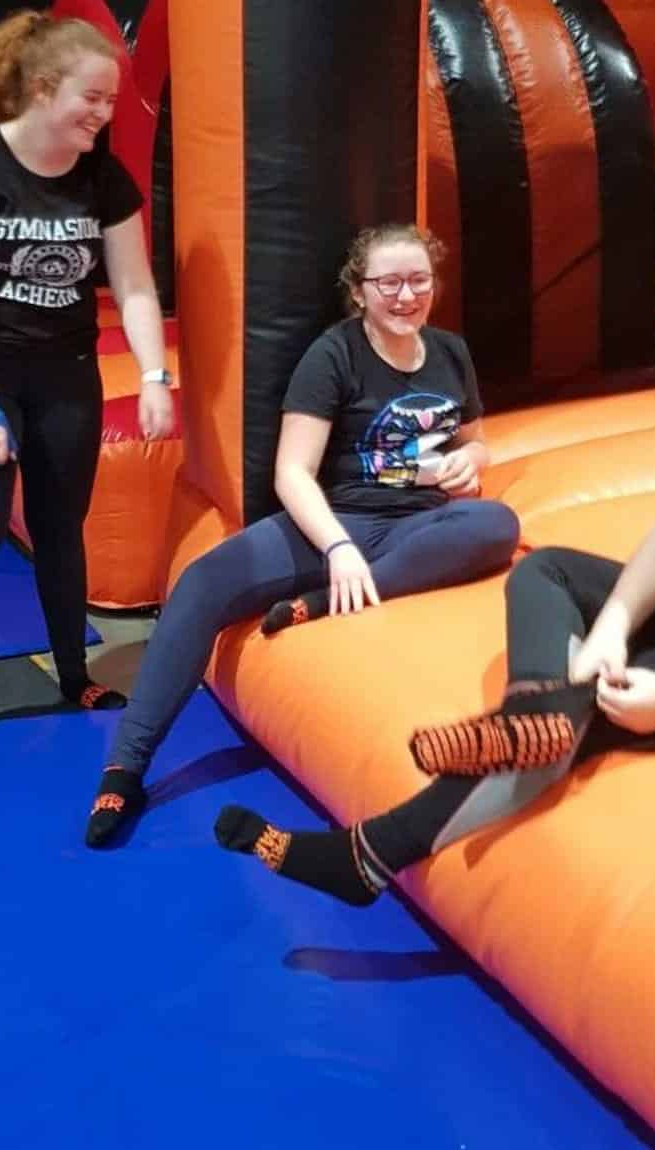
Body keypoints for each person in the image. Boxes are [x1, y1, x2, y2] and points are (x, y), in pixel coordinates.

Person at [215, 223, 655, 905]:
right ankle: (533, 714)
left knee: (587, 710)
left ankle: (364, 857)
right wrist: (612, 625)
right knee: (548, 570)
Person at [84, 224, 522, 843]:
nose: (406, 296)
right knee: (203, 581)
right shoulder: (335, 355)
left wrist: (468, 462)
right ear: (359, 290)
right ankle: (125, 768)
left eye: (419, 280)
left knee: (497, 523)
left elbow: (475, 442)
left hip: (419, 527)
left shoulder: (450, 353)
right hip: (337, 520)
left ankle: (316, 603)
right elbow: (292, 471)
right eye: (389, 283)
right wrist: (337, 546)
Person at [0, 9, 175, 744]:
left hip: (66, 372)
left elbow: (136, 287)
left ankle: (74, 674)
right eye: (92, 97)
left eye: (111, 100)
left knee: (62, 529)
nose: (103, 113)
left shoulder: (102, 178)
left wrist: (154, 375)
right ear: (44, 88)